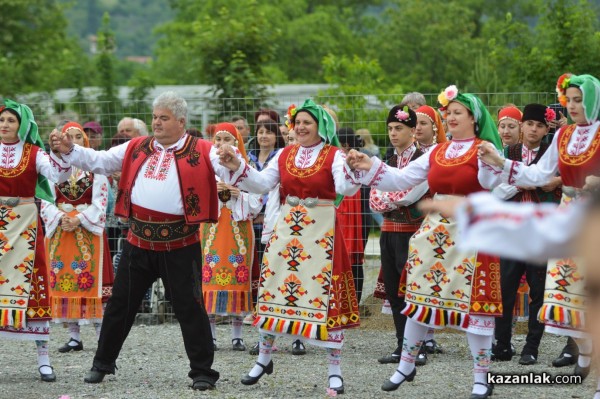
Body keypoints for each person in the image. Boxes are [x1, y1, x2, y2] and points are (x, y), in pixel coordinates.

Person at [49, 91, 230, 391]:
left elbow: (228, 166)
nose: (156, 123)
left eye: (164, 118)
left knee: (190, 307)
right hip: (139, 240)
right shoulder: (136, 146)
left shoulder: (204, 149)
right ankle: (102, 363)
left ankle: (202, 372)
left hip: (180, 243)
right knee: (121, 304)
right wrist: (71, 149)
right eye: (155, 117)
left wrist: (231, 159)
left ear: (182, 122)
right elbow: (101, 160)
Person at [347, 85, 503, 398]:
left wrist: (493, 165)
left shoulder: (484, 149)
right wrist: (371, 166)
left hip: (471, 229)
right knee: (418, 296)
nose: (450, 116)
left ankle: (481, 379)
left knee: (477, 307)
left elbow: (495, 186)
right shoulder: (438, 152)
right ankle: (406, 363)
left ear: (474, 118)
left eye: (457, 112)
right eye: (448, 112)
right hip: (436, 232)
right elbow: (403, 179)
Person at [218, 99, 361, 394]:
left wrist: (351, 168)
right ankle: (263, 358)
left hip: (321, 232)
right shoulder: (284, 154)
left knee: (325, 297)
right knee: (274, 291)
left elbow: (345, 190)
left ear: (321, 126)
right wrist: (237, 165)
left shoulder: (334, 155)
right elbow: (260, 183)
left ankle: (334, 370)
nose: (302, 127)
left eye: (308, 122)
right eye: (298, 123)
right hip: (288, 230)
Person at [478, 73, 600, 381]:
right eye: (569, 100)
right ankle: (586, 353)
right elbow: (537, 175)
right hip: (568, 215)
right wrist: (501, 162)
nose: (573, 106)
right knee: (564, 293)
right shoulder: (563, 136)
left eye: (579, 100)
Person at [0, 99, 72, 382]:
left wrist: (60, 154)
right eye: (2, 120)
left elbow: (57, 175)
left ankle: (44, 358)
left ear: (22, 125)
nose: (4, 125)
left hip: (26, 224)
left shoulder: (34, 153)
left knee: (34, 285)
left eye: (10, 120)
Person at [490, 104, 562, 365]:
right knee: (505, 289)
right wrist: (528, 181)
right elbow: (496, 192)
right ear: (522, 125)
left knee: (538, 291)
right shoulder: (508, 152)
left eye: (540, 125)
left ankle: (531, 347)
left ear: (546, 130)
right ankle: (503, 344)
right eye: (529, 124)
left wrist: (517, 182)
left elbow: (558, 189)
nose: (533, 129)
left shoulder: (551, 155)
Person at [40, 122, 114, 354]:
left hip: (86, 230)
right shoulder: (51, 169)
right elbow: (44, 199)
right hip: (61, 229)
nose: (72, 140)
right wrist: (60, 216)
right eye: (68, 136)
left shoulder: (95, 169)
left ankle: (102, 337)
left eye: (77, 137)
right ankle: (74, 337)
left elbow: (101, 202)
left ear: (84, 142)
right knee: (65, 281)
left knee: (90, 281)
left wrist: (79, 219)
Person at [368, 106, 430, 366]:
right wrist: (387, 201)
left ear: (413, 131)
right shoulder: (388, 161)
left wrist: (389, 200)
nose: (393, 134)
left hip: (413, 233)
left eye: (399, 129)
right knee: (394, 291)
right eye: (391, 129)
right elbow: (374, 196)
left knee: (414, 290)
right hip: (389, 231)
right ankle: (401, 344)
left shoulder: (423, 159)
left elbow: (410, 192)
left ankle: (420, 346)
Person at [200, 123, 262, 352]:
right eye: (218, 140)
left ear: (237, 143)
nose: (221, 144)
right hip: (212, 228)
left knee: (239, 276)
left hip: (239, 228)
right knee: (210, 277)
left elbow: (258, 202)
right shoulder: (207, 167)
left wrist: (239, 195)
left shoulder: (247, 168)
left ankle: (237, 335)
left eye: (227, 139)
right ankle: (212, 336)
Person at [336, 127, 366, 304]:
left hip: (348, 212)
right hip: (352, 213)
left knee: (351, 258)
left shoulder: (349, 161)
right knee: (354, 259)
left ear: (345, 145)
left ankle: (350, 301)